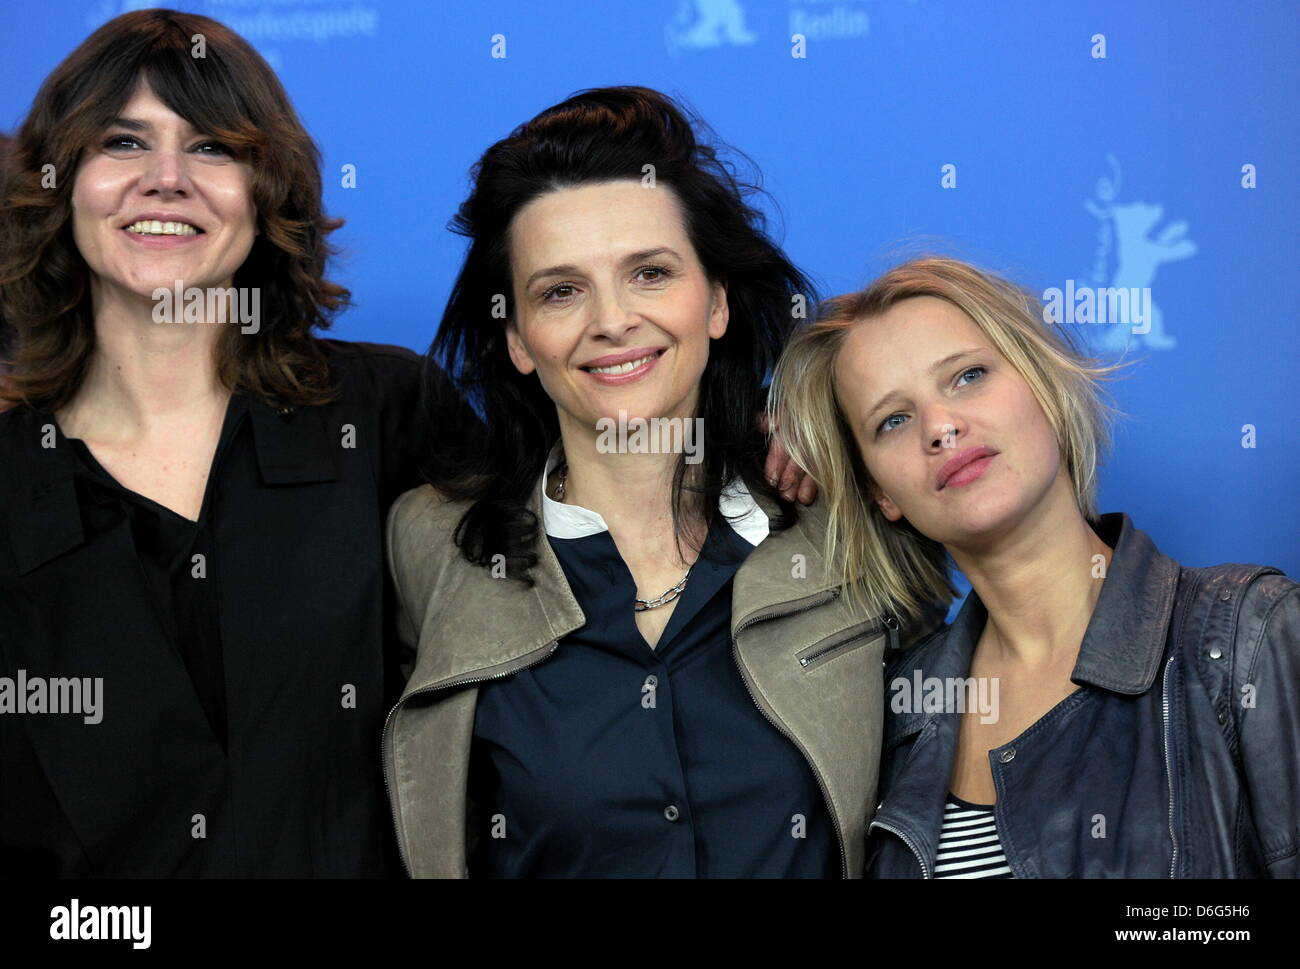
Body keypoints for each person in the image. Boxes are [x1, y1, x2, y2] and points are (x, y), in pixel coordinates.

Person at [383, 86, 941, 878]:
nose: (611, 320)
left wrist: (823, 424)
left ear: (715, 301)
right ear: (515, 337)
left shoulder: (852, 514)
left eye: (649, 273)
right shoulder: (432, 544)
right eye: (561, 290)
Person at [0, 8, 476, 876]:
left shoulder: (387, 410)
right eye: (122, 142)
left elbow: (585, 539)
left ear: (268, 192)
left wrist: (780, 446)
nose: (167, 178)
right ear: (59, 181)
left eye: (214, 147)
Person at [769, 255, 1300, 878]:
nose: (940, 427)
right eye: (893, 419)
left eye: (968, 376)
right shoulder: (893, 712)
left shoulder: (1247, 635)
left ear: (1044, 388)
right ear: (880, 493)